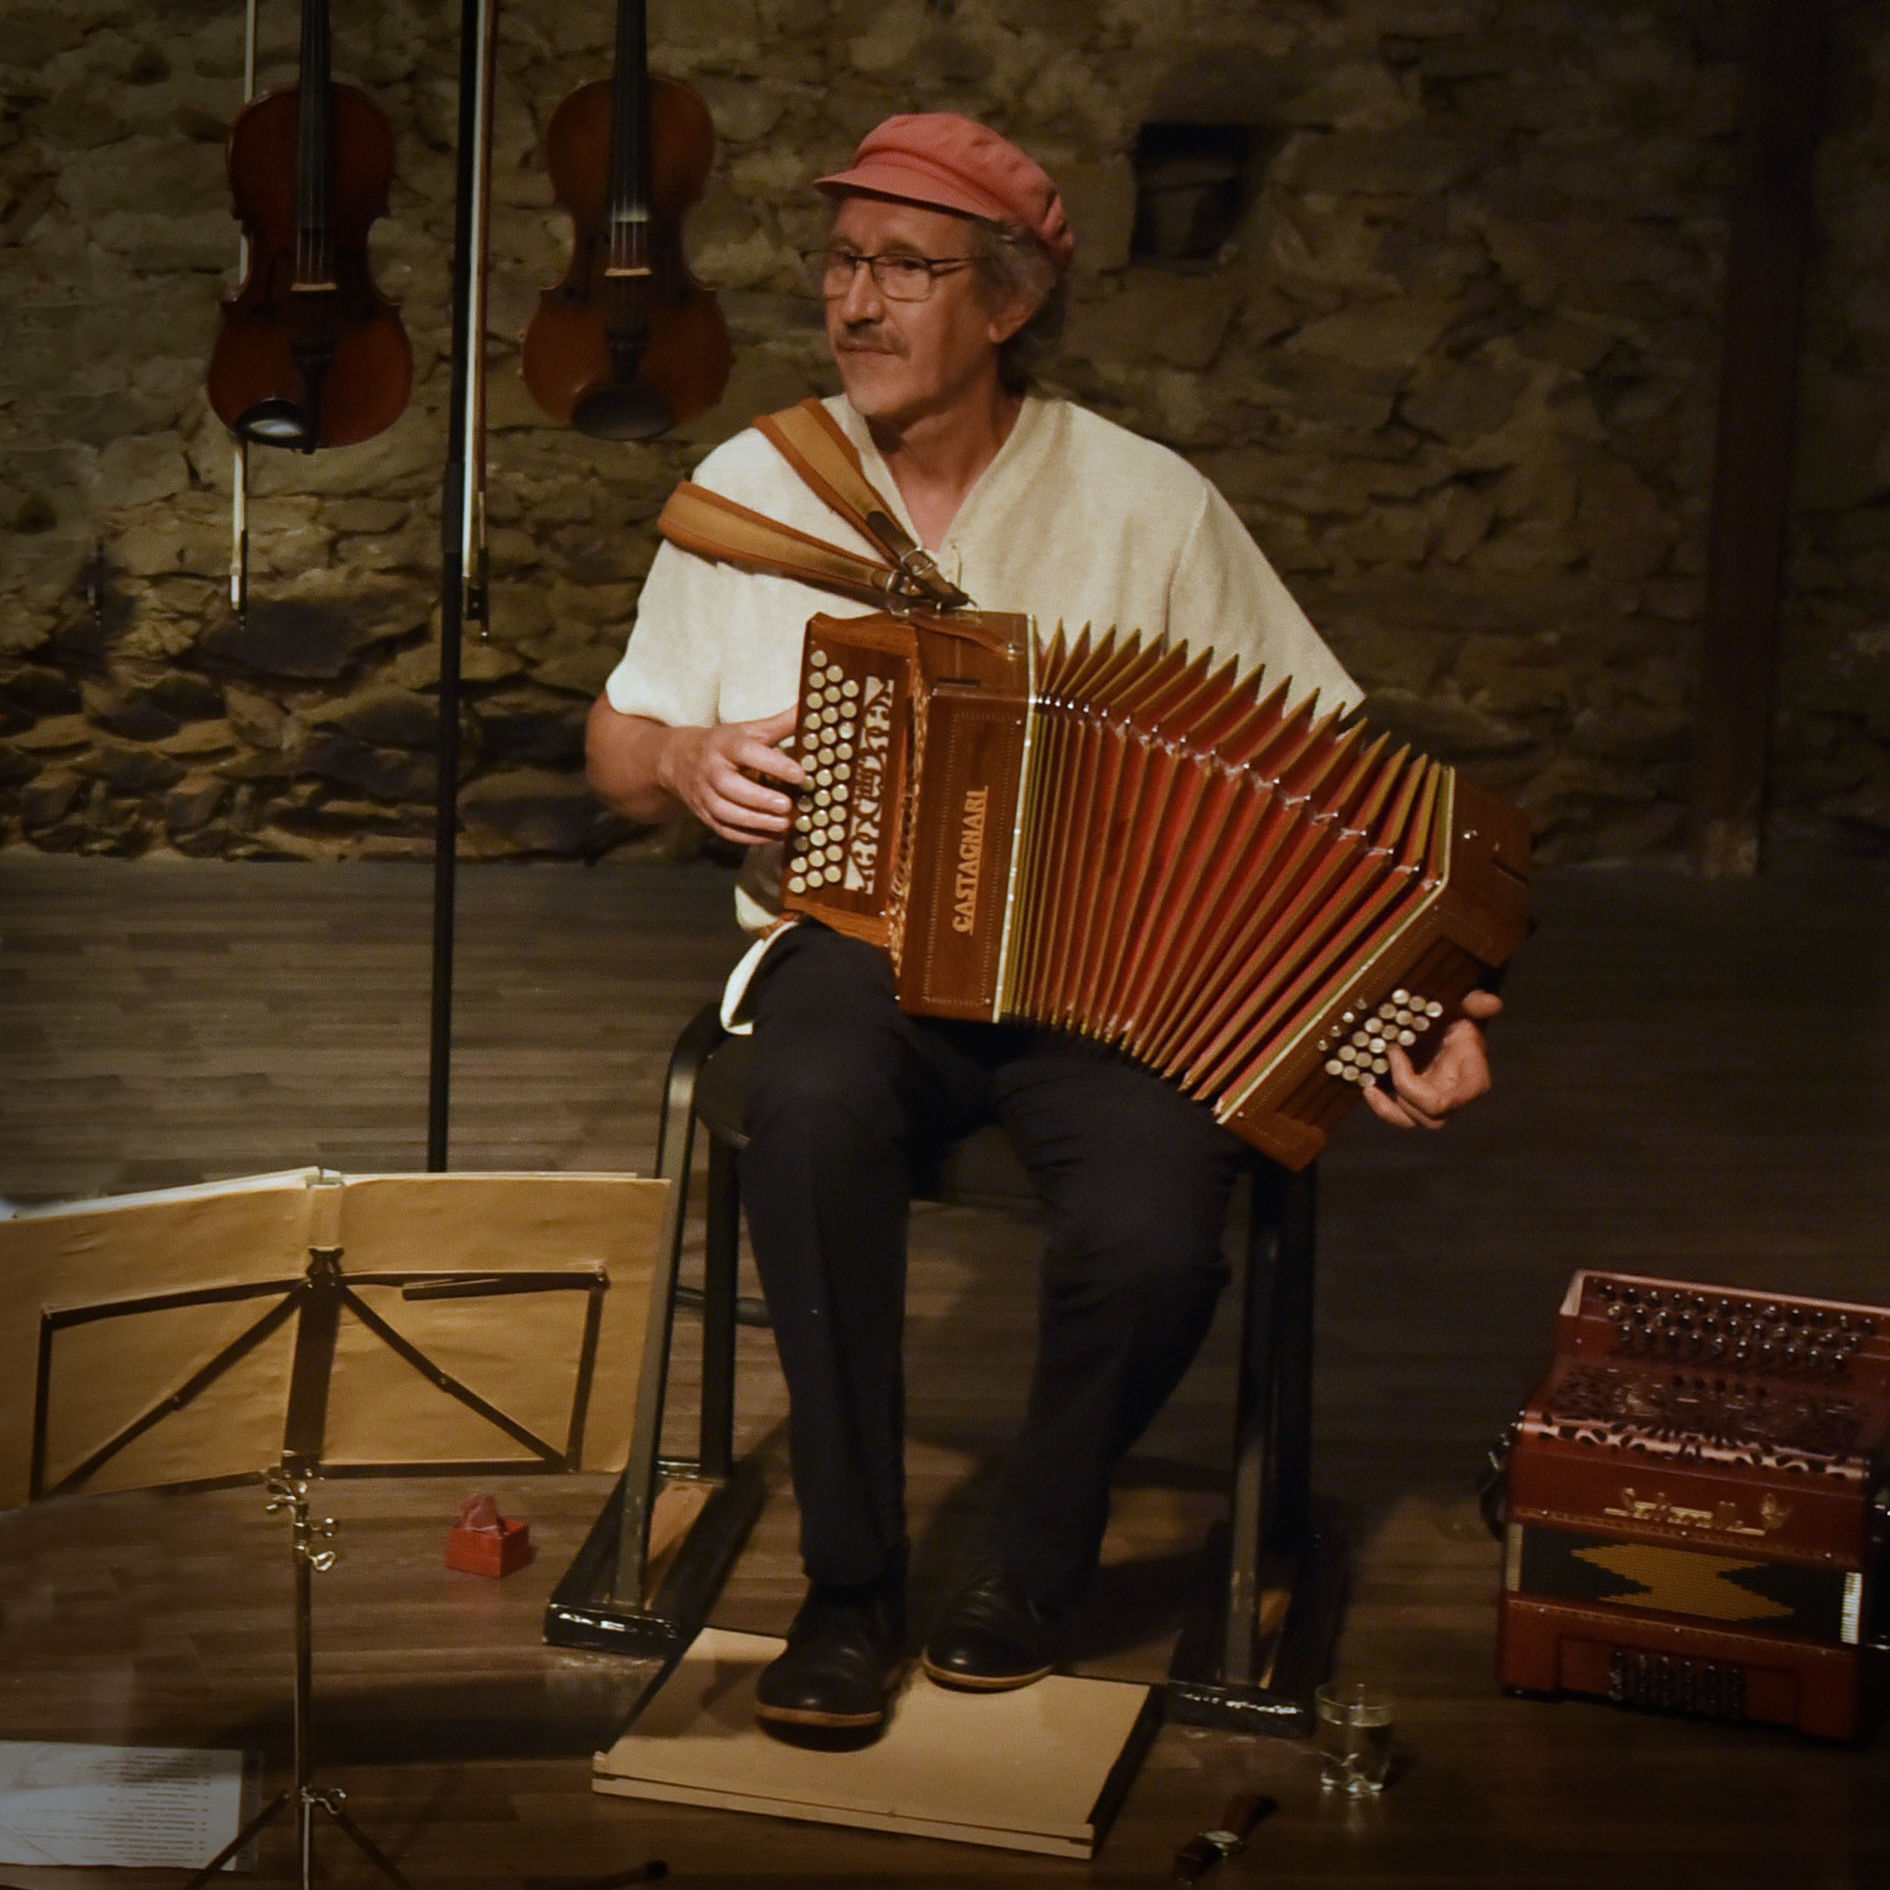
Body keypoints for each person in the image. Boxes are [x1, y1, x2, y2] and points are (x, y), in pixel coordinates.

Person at [586, 113, 1501, 1742]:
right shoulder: (756, 484)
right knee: (801, 1105)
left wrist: (1416, 1005)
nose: (855, 303)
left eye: (903, 269)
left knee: (1159, 1232)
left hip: (1110, 993)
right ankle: (852, 1583)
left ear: (1005, 305)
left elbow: (1338, 781)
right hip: (846, 950)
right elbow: (621, 742)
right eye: (842, 262)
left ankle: (1037, 1546)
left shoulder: (1146, 506)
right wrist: (680, 757)